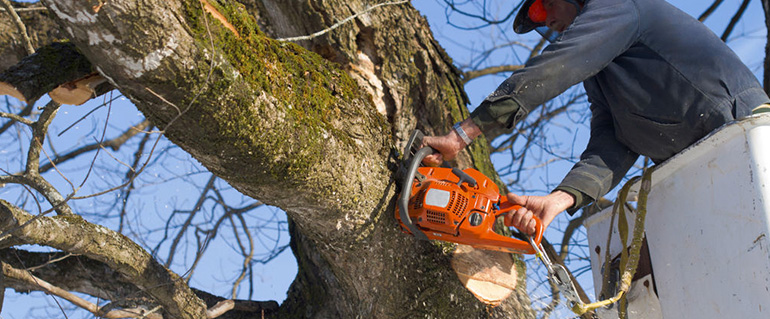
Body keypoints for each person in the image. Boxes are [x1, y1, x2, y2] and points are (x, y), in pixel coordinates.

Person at [423, 0, 770, 235]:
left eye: (547, 6)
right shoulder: (602, 73)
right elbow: (614, 140)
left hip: (744, 132)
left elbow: (559, 65)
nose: (549, 21)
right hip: (702, 166)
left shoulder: (620, 6)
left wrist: (462, 135)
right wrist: (559, 199)